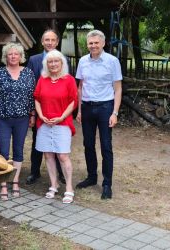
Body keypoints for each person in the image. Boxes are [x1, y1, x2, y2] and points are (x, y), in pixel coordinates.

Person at [75, 30, 122, 199]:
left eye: (96, 43)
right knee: (88, 144)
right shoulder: (82, 61)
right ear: (87, 45)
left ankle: (107, 183)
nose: (93, 46)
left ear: (103, 43)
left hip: (105, 108)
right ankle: (92, 177)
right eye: (90, 43)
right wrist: (79, 110)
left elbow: (118, 88)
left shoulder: (112, 61)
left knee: (106, 146)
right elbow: (80, 87)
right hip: (87, 107)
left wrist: (114, 112)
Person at [0, 42, 35, 200]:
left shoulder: (28, 73)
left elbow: (31, 97)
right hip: (3, 118)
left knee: (18, 150)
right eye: (10, 54)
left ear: (21, 56)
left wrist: (33, 115)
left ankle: (15, 182)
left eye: (16, 54)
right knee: (3, 151)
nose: (13, 56)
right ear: (5, 56)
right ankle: (3, 183)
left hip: (22, 118)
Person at [34, 50, 77, 204]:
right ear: (46, 64)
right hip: (44, 123)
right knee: (48, 155)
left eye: (56, 61)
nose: (53, 64)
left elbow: (73, 101)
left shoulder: (69, 80)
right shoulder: (42, 79)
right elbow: (37, 99)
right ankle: (54, 184)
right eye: (50, 62)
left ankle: (69, 188)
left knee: (63, 156)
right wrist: (40, 115)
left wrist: (62, 117)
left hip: (62, 123)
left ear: (62, 63)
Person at [26, 29, 67, 185]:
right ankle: (34, 172)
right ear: (42, 42)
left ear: (57, 42)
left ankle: (61, 173)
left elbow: (68, 84)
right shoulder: (34, 60)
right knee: (38, 139)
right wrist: (33, 112)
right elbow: (30, 86)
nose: (50, 43)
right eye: (46, 40)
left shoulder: (63, 60)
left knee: (59, 141)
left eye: (53, 40)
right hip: (39, 108)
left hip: (59, 108)